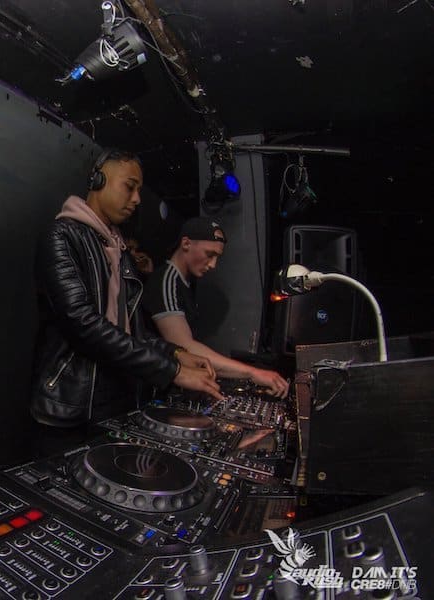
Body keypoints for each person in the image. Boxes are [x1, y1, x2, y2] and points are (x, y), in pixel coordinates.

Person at [29, 149, 223, 454]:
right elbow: (83, 324)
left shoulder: (117, 247)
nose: (137, 199)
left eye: (138, 190)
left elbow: (133, 332)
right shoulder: (61, 236)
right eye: (129, 187)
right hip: (70, 408)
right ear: (98, 180)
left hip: (115, 403)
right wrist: (172, 371)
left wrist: (176, 354)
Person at [142, 217, 289, 397]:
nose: (213, 265)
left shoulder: (183, 282)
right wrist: (253, 373)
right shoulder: (167, 281)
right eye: (209, 254)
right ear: (186, 243)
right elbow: (184, 346)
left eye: (217, 257)